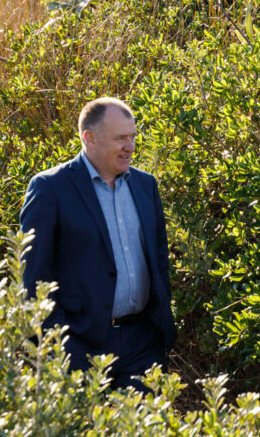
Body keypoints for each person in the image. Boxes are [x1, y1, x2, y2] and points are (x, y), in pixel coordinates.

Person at [20, 97, 177, 391]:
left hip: (142, 343)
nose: (130, 146)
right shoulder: (50, 188)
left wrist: (159, 329)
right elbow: (32, 277)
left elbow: (158, 261)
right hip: (78, 344)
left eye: (132, 137)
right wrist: (55, 345)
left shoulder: (146, 186)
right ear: (89, 139)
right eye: (120, 138)